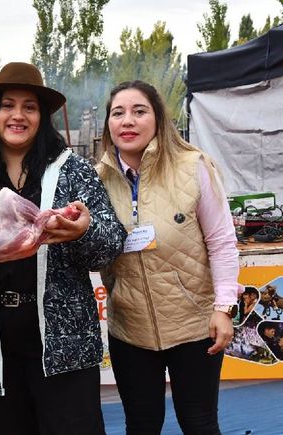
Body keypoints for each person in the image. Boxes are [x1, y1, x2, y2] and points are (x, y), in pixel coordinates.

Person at [0, 62, 126, 434]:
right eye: (8, 105)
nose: (18, 115)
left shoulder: (73, 171)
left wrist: (83, 231)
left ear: (41, 117)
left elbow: (110, 246)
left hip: (63, 350)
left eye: (29, 107)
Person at [96, 80, 242, 434]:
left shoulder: (192, 167)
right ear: (108, 125)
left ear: (158, 119)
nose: (127, 121)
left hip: (194, 324)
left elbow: (222, 241)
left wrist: (223, 309)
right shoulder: (97, 179)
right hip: (130, 328)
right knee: (142, 426)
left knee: (199, 423)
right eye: (118, 113)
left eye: (139, 111)